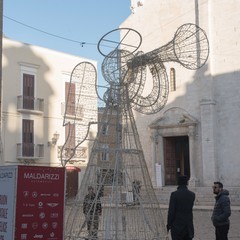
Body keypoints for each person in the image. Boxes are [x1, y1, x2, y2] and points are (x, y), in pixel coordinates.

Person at [167, 175, 195, 240]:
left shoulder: (174, 195)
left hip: (177, 227)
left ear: (178, 182)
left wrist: (169, 225)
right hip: (188, 226)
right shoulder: (192, 195)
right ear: (187, 183)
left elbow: (171, 212)